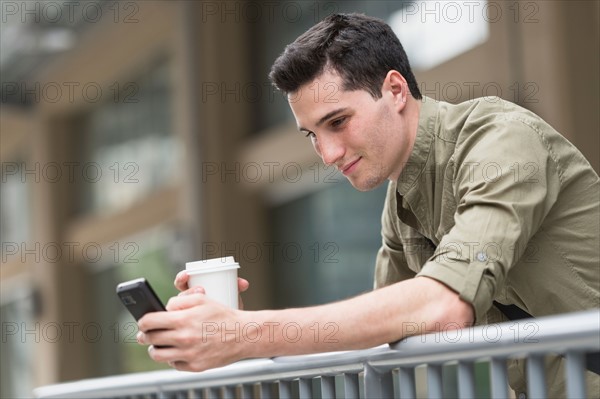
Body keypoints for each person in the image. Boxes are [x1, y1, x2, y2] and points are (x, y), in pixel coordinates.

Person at [136, 13, 599, 397]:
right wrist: (228, 324)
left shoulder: (501, 139)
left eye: (338, 121)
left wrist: (244, 334)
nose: (329, 153)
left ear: (395, 90)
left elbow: (441, 308)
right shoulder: (402, 203)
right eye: (313, 135)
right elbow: (375, 330)